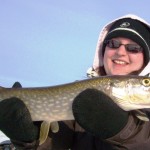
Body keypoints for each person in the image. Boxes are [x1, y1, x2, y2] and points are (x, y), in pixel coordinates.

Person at [0, 14, 150, 150]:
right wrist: (30, 139)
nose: (120, 52)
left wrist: (125, 131)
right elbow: (56, 144)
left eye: (133, 48)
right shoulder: (82, 96)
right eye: (113, 44)